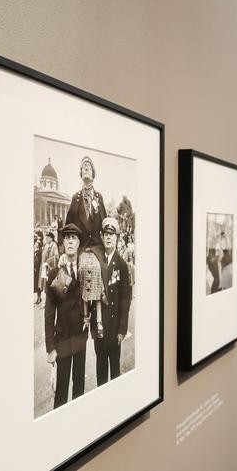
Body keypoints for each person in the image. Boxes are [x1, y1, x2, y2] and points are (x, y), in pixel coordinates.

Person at [44, 223, 87, 409]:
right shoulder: (55, 273)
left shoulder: (86, 271)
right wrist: (50, 347)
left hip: (80, 338)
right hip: (61, 341)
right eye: (67, 237)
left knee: (79, 388)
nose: (70, 241)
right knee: (61, 393)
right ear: (63, 242)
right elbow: (48, 315)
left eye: (74, 238)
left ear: (78, 243)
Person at [66, 156, 107, 338]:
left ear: (94, 173)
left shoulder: (99, 197)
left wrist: (109, 247)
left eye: (89, 167)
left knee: (98, 269)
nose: (86, 169)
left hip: (97, 247)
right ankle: (85, 316)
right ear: (80, 173)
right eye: (83, 167)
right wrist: (67, 250)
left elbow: (105, 223)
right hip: (82, 247)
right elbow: (68, 227)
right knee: (81, 269)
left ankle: (98, 318)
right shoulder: (75, 198)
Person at [90, 217, 132, 386]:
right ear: (102, 236)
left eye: (111, 234)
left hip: (114, 328)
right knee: (100, 368)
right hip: (99, 325)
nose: (108, 238)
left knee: (114, 370)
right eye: (106, 234)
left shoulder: (122, 265)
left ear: (117, 238)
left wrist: (122, 329)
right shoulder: (95, 261)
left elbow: (125, 300)